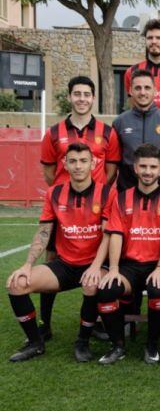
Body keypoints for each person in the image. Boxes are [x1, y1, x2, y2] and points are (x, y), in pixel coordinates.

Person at [6, 142, 113, 362]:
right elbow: (44, 231)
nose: (78, 166)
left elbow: (108, 236)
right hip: (65, 265)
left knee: (91, 283)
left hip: (95, 264)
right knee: (16, 284)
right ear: (64, 163)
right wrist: (27, 264)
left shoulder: (106, 193)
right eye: (72, 161)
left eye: (83, 161)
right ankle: (36, 343)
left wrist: (95, 266)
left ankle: (82, 342)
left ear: (93, 163)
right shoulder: (54, 193)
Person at [38, 75, 121, 340]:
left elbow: (110, 171)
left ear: (93, 98)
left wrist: (92, 193)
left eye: (87, 94)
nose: (82, 99)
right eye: (77, 94)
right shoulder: (53, 132)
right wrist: (64, 193)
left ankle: (93, 321)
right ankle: (45, 323)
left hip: (95, 209)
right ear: (70, 96)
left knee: (99, 261)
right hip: (62, 209)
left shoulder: (108, 132)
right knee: (51, 259)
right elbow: (49, 172)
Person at [96, 144, 160, 365]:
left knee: (158, 290)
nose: (147, 171)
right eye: (143, 166)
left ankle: (151, 344)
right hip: (129, 267)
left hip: (156, 264)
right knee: (106, 290)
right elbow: (115, 234)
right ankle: (118, 345)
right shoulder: (122, 198)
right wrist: (114, 269)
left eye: (153, 167)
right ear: (135, 168)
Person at [113, 69, 160, 193]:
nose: (142, 92)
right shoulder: (120, 123)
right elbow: (115, 162)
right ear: (130, 91)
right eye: (138, 88)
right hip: (129, 195)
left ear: (155, 90)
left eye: (147, 87)